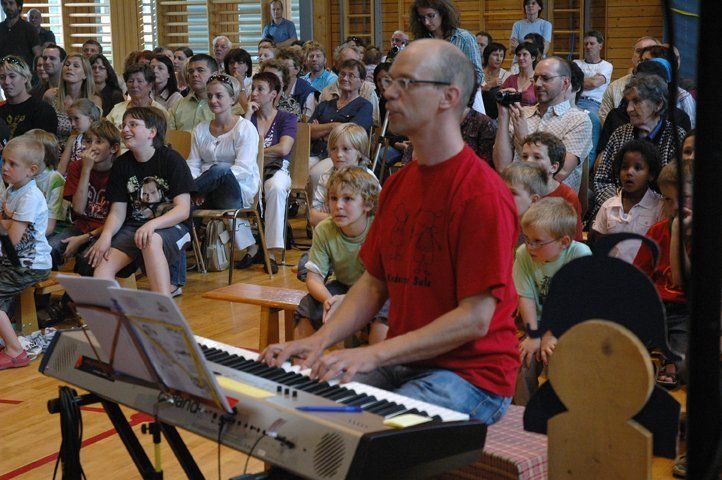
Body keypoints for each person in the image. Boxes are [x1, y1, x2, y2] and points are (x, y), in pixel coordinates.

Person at [261, 39, 520, 424]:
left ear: (449, 96)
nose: (389, 93)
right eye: (389, 82)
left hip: (471, 375)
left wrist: (373, 353)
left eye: (406, 83)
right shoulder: (398, 185)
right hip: (405, 359)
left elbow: (475, 318)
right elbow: (373, 283)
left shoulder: (482, 193)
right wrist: (317, 342)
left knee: (372, 428)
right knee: (308, 410)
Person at [88, 107, 194, 295]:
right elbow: (117, 212)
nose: (125, 129)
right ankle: (110, 313)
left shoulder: (172, 159)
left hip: (173, 227)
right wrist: (106, 237)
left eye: (133, 124)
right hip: (135, 227)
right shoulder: (121, 164)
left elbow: (183, 210)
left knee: (151, 240)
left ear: (152, 132)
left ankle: (162, 306)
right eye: (124, 125)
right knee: (103, 266)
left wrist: (152, 224)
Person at [295, 167, 388, 345]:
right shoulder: (324, 229)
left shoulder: (380, 227)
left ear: (368, 204)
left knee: (383, 316)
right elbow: (314, 278)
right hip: (344, 286)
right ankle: (301, 360)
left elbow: (385, 282)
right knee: (307, 308)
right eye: (333, 198)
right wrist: (329, 301)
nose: (338, 206)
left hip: (379, 289)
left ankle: (377, 358)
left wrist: (349, 301)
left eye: (348, 199)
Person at [513, 197, 592, 404]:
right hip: (537, 325)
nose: (529, 246)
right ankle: (524, 413)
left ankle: (559, 413)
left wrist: (550, 335)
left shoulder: (580, 255)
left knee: (558, 360)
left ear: (564, 242)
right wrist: (533, 335)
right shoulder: (523, 254)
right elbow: (526, 297)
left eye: (537, 241)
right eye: (526, 238)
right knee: (523, 360)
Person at [186, 74, 260, 271]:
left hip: (236, 188)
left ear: (232, 98)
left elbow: (244, 168)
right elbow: (193, 164)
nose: (213, 100)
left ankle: (186, 193)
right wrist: (203, 185)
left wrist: (204, 186)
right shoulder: (200, 129)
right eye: (210, 96)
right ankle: (180, 248)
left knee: (220, 169)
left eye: (219, 96)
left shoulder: (245, 128)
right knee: (186, 199)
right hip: (203, 192)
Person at [494, 56, 592, 195]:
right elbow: (501, 167)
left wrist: (524, 140)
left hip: (552, 203)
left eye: (546, 78)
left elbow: (559, 173)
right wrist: (503, 116)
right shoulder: (521, 114)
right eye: (535, 78)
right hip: (514, 198)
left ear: (565, 83)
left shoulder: (578, 120)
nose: (538, 84)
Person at [592, 74, 685, 216]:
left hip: (661, 213)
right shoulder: (620, 134)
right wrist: (620, 205)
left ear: (658, 104)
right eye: (627, 102)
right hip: (615, 211)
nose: (629, 109)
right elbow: (602, 180)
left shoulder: (676, 137)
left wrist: (645, 208)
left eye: (636, 101)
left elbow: (677, 187)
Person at [633, 161, 691, 388]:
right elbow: (639, 278)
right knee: (617, 346)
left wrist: (677, 233)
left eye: (683, 198)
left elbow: (682, 280)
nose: (675, 207)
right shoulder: (656, 231)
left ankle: (667, 360)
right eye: (667, 199)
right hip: (655, 307)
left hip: (685, 311)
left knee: (683, 364)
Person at [0, 135, 52, 370]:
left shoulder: (30, 197)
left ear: (31, 170)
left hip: (30, 264)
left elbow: (11, 239)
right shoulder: (12, 190)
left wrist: (6, 224)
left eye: (12, 164)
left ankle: (16, 351)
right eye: (4, 161)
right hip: (14, 260)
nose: (5, 168)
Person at [245, 71, 297, 273]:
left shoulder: (287, 118)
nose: (254, 93)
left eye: (260, 89)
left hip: (277, 168)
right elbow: (239, 148)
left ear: (273, 94)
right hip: (250, 169)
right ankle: (251, 247)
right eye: (253, 88)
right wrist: (247, 115)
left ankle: (271, 253)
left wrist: (257, 151)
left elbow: (283, 149)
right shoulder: (246, 118)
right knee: (233, 189)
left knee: (275, 188)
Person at [52, 120, 120, 274]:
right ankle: (47, 288)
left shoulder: (119, 171)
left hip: (107, 230)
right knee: (50, 249)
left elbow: (118, 220)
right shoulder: (77, 167)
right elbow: (78, 209)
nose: (91, 147)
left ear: (114, 148)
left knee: (87, 258)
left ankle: (76, 291)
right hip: (82, 225)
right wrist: (86, 170)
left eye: (99, 142)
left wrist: (85, 238)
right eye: (88, 141)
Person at [591, 139, 663, 263]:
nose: (629, 172)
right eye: (624, 167)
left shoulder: (659, 207)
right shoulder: (608, 206)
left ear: (651, 174)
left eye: (638, 168)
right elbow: (599, 244)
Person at [309, 59, 373, 194]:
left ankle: (321, 206)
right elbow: (308, 132)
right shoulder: (325, 105)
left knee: (316, 174)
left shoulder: (364, 106)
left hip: (343, 156)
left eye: (351, 75)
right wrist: (334, 126)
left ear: (361, 81)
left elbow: (351, 135)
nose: (345, 78)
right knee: (294, 169)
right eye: (342, 74)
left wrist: (322, 130)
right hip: (316, 152)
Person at [310, 123, 376, 227]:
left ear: (359, 152)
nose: (339, 154)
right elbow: (313, 217)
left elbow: (375, 216)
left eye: (345, 149)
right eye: (334, 149)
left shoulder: (369, 178)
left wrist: (329, 215)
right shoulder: (326, 176)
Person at [521, 132, 583, 240]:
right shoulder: (516, 191)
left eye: (537, 157)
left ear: (554, 167)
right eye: (525, 156)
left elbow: (573, 240)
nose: (528, 161)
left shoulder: (567, 197)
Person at [409, 0, 484, 85]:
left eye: (431, 16)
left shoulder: (464, 38)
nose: (426, 22)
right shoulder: (421, 41)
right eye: (422, 18)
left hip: (458, 90)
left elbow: (478, 75)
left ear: (442, 13)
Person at [43, 53, 102, 149]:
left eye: (76, 66)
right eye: (67, 64)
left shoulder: (94, 100)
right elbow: (43, 129)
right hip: (53, 149)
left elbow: (96, 133)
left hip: (82, 150)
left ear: (85, 74)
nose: (69, 68)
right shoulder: (50, 96)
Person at [599, 36, 659, 124]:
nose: (643, 56)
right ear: (633, 57)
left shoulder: (670, 89)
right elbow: (604, 118)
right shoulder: (614, 87)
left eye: (649, 51)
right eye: (639, 51)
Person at [318, 46, 380, 126]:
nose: (349, 66)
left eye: (353, 63)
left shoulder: (368, 91)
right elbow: (310, 128)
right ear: (337, 65)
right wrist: (332, 127)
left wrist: (323, 128)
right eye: (345, 63)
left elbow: (372, 126)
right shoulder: (326, 92)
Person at [0, 55, 57, 139]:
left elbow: (47, 145)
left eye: (12, 76)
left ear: (25, 78)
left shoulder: (42, 110)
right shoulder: (1, 110)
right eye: (2, 77)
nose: (7, 82)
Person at [106, 63, 169, 132]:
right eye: (131, 81)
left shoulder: (160, 112)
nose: (134, 85)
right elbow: (105, 133)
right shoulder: (117, 109)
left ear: (150, 85)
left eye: (139, 81)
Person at [168, 54, 218, 131]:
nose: (194, 74)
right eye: (191, 71)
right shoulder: (178, 106)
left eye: (200, 70)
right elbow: (171, 136)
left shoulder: (226, 105)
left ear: (214, 75)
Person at [573, 31, 613, 117]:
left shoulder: (606, 66)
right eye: (586, 44)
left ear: (600, 46)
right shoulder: (576, 63)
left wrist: (578, 80)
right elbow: (571, 82)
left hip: (594, 103)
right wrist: (591, 79)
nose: (588, 47)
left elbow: (593, 83)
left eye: (592, 43)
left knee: (588, 118)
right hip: (574, 100)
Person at [58, 98, 101, 175]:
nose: (72, 124)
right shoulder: (73, 139)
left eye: (76, 118)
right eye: (70, 120)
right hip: (73, 178)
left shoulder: (102, 140)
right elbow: (61, 167)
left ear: (91, 118)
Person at [277, 48, 318, 121]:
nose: (281, 70)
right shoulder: (274, 87)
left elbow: (307, 122)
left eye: (285, 66)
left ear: (297, 69)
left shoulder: (307, 92)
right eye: (278, 66)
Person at [0, 0, 41, 67]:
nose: (8, 7)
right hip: (3, 71)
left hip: (23, 71)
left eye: (11, 3)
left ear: (19, 6)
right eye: (4, 4)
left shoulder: (29, 28)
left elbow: (37, 54)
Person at [501, 42, 539, 106]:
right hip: (510, 112)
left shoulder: (539, 79)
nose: (521, 58)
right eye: (519, 55)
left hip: (533, 112)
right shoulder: (510, 79)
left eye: (525, 54)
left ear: (533, 58)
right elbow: (500, 99)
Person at [481, 42, 510, 118]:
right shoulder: (478, 73)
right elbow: (472, 95)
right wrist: (489, 85)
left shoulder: (507, 76)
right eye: (495, 55)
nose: (498, 59)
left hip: (499, 116)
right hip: (479, 112)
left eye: (501, 56)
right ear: (487, 56)